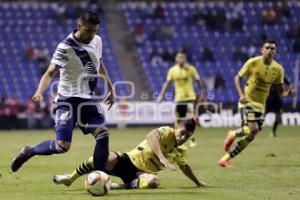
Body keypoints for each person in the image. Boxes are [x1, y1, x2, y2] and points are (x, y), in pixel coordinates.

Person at [11, 11, 115, 173]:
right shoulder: (65, 46)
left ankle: (100, 175)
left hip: (87, 100)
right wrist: (39, 91)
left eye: (95, 31)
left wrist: (110, 87)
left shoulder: (97, 41)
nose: (92, 34)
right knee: (62, 146)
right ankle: (29, 152)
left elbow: (98, 64)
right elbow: (50, 72)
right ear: (79, 26)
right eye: (88, 30)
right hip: (67, 100)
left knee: (103, 135)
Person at [53, 119, 206, 189]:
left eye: (187, 136)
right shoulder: (167, 131)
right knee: (106, 157)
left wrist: (197, 182)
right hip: (129, 160)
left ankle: (115, 186)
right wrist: (161, 157)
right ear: (177, 127)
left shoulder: (181, 151)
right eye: (182, 133)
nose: (183, 137)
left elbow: (185, 167)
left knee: (154, 182)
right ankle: (70, 178)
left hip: (140, 175)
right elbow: (152, 136)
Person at [218, 39, 295, 168]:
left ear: (275, 52)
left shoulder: (278, 69)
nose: (270, 50)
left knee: (251, 135)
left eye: (272, 49)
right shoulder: (253, 62)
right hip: (247, 101)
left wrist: (289, 93)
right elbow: (237, 78)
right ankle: (232, 134)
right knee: (253, 129)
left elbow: (280, 92)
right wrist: (241, 95)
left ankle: (225, 159)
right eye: (267, 48)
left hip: (261, 105)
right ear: (262, 50)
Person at [158, 52, 206, 147]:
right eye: (179, 57)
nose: (181, 59)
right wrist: (161, 94)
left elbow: (199, 81)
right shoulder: (172, 70)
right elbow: (167, 83)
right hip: (179, 98)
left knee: (190, 119)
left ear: (185, 59)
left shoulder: (191, 69)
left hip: (190, 97)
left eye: (183, 57)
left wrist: (202, 93)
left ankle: (192, 138)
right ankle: (177, 138)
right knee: (179, 120)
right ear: (176, 59)